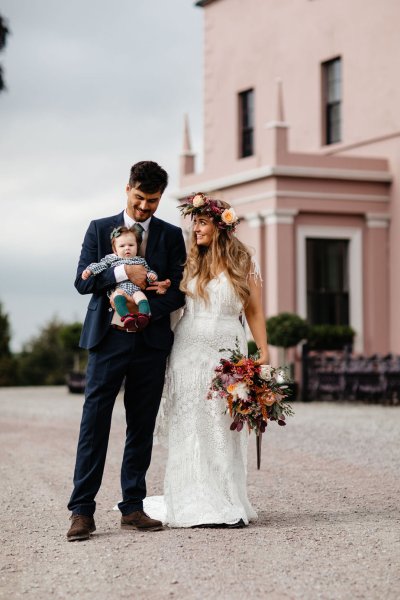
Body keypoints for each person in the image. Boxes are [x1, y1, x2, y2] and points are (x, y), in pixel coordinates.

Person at [67, 161, 186, 541]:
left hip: (150, 343)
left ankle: (133, 507)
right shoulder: (99, 229)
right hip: (107, 342)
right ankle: (82, 511)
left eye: (153, 200)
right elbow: (82, 281)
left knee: (141, 427)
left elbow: (180, 289)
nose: (145, 207)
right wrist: (123, 274)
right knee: (94, 425)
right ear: (127, 189)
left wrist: (151, 310)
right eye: (140, 198)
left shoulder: (170, 235)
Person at [148, 192, 269, 528]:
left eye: (201, 222)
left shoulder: (243, 262)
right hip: (187, 353)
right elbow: (173, 302)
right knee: (190, 424)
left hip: (227, 351)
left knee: (222, 424)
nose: (196, 229)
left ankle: (225, 499)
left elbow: (254, 310)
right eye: (194, 223)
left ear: (219, 224)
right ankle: (191, 499)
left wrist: (263, 351)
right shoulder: (188, 262)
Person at [81, 225, 158, 332]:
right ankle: (126, 317)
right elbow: (100, 265)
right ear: (115, 250)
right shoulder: (112, 259)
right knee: (117, 297)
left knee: (142, 298)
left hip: (135, 289)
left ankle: (144, 315)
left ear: (137, 247)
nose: (127, 248)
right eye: (122, 246)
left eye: (131, 245)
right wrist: (89, 271)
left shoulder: (140, 261)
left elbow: (148, 272)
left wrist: (151, 276)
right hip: (119, 289)